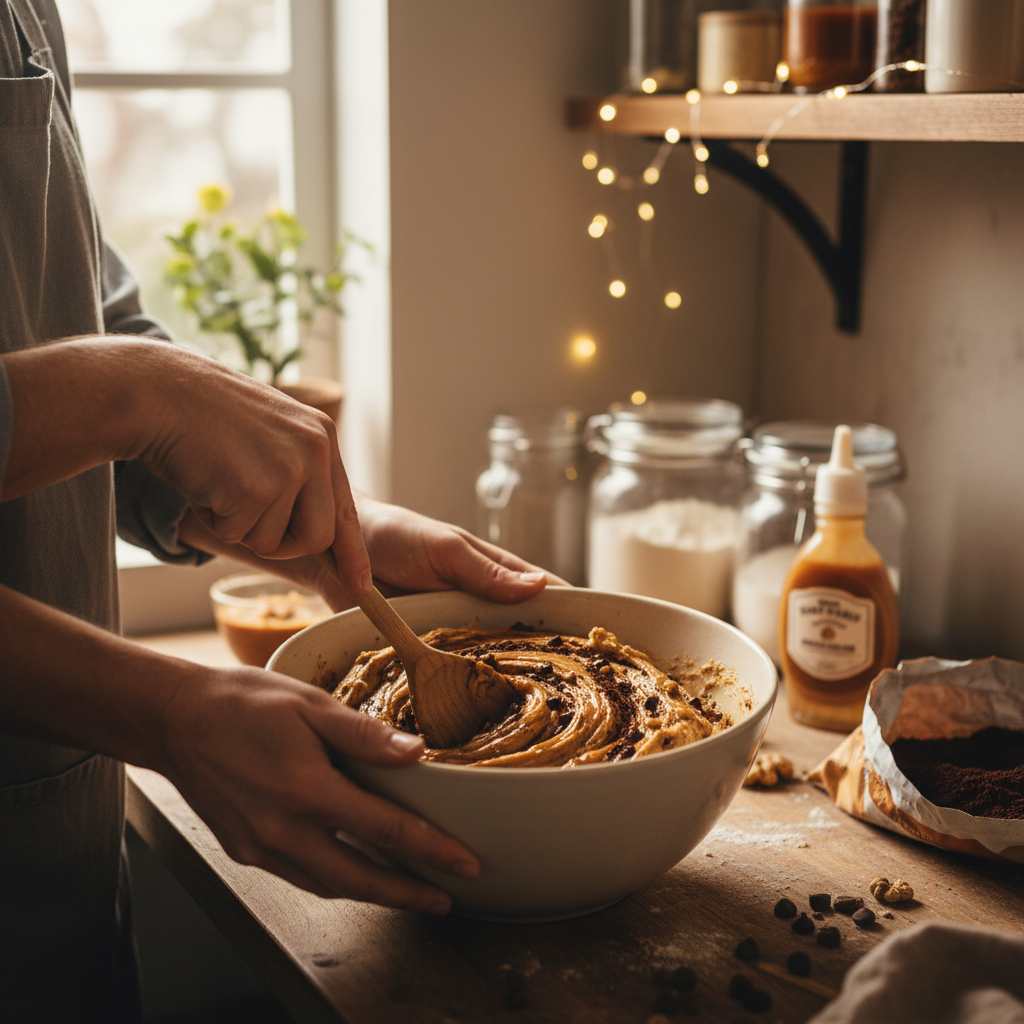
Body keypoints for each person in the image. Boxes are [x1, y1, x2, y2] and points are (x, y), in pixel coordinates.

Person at [0, 1, 565, 1019]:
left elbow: (66, 316)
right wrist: (160, 707)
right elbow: (106, 379)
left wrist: (336, 530)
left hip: (58, 890)